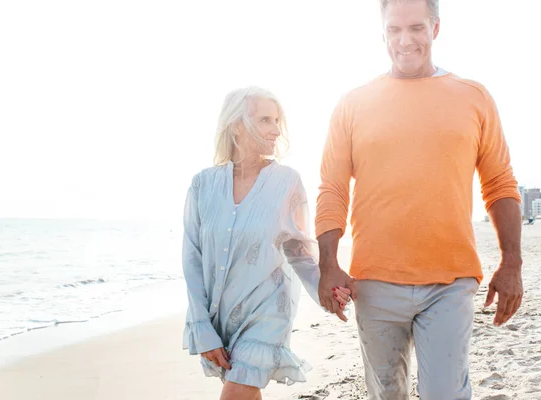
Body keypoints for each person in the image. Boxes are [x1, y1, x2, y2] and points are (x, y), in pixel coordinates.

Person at [314, 1, 523, 399]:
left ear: (436, 28)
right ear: (382, 34)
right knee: (386, 394)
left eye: (415, 28)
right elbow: (333, 188)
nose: (404, 40)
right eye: (394, 30)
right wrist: (328, 265)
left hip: (450, 280)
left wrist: (511, 262)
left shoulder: (473, 97)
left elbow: (498, 182)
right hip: (375, 281)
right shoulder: (353, 103)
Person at [182, 86, 351, 400]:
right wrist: (201, 326)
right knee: (243, 390)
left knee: (235, 393)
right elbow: (192, 258)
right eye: (265, 120)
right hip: (221, 313)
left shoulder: (286, 181)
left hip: (268, 311)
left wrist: (326, 292)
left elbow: (299, 252)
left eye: (276, 121)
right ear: (236, 125)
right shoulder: (202, 184)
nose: (275, 130)